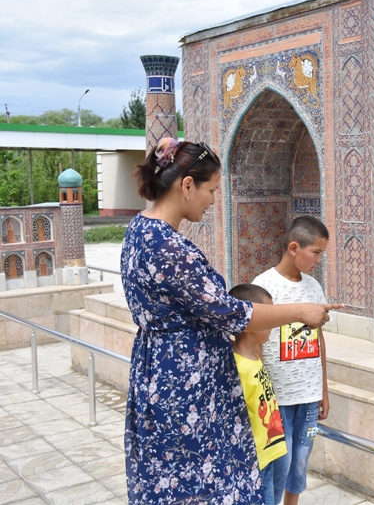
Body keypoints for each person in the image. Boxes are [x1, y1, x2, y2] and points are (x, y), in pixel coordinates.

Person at [121, 137, 338, 505]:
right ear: (186, 185)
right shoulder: (167, 246)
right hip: (185, 387)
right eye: (211, 190)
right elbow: (228, 311)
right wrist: (300, 312)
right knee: (198, 485)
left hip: (159, 372)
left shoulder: (139, 231)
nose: (212, 200)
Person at [252, 216, 329, 505]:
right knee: (277, 465)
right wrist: (264, 398)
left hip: (308, 396)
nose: (318, 260)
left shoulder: (313, 288)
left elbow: (319, 342)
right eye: (316, 253)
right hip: (278, 400)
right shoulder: (264, 286)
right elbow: (255, 343)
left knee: (299, 462)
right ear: (294, 247)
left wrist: (323, 390)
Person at [230, 284, 287, 505]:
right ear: (250, 322)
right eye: (267, 316)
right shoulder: (238, 366)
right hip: (256, 459)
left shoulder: (254, 357)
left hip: (272, 449)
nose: (272, 323)